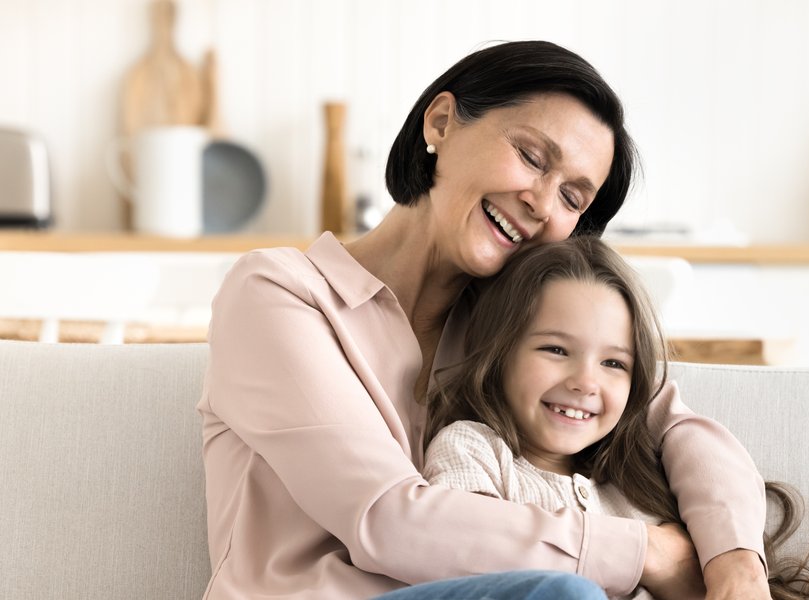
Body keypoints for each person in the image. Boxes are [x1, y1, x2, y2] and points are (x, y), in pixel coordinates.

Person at [199, 40, 771, 600]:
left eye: (573, 198)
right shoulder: (278, 295)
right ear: (441, 124)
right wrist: (645, 552)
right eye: (532, 158)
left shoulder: (518, 328)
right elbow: (384, 520)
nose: (542, 204)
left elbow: (674, 425)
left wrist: (738, 564)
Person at [423, 237, 809, 600]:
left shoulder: (635, 479)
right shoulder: (472, 449)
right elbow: (465, 555)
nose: (586, 382)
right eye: (556, 350)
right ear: (500, 353)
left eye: (613, 363)